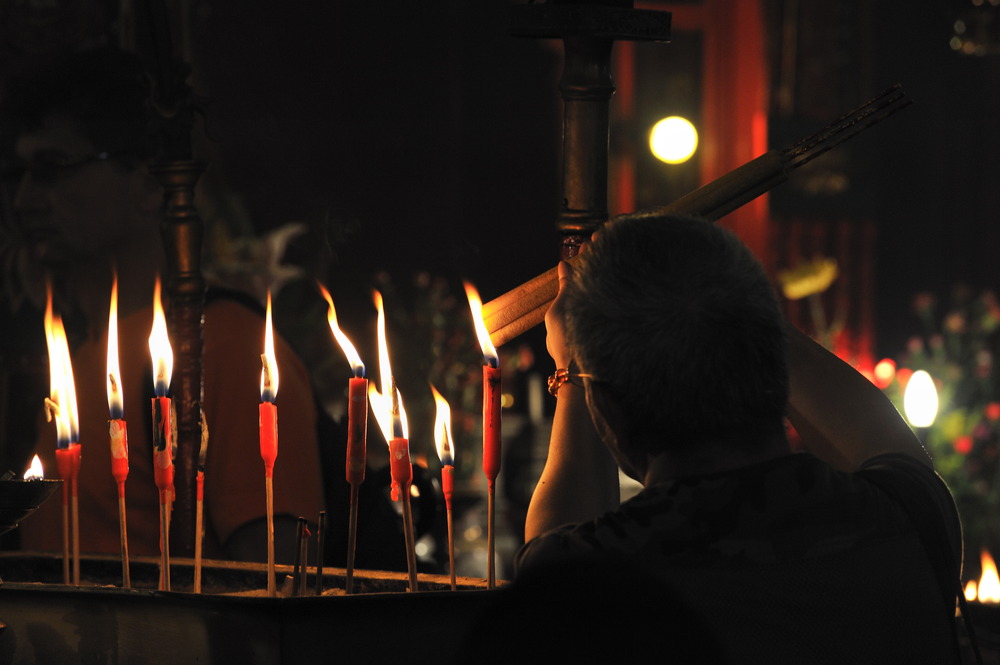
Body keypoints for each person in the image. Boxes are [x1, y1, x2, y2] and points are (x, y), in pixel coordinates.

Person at [518, 214, 964, 663]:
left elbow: (552, 543)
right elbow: (875, 435)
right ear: (772, 360)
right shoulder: (908, 519)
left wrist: (572, 371)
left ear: (610, 409)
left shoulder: (589, 579)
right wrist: (726, 299)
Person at [0, 47, 326, 563]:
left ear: (151, 183)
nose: (23, 201)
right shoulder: (70, 353)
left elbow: (277, 581)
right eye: (19, 173)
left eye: (53, 168)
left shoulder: (222, 345)